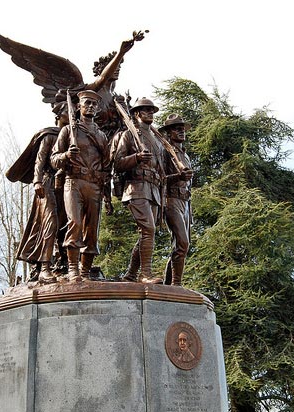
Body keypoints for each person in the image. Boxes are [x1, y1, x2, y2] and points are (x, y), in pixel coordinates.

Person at [51, 90, 112, 282]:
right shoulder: (68, 131)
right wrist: (67, 156)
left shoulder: (101, 136)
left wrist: (107, 195)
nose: (91, 107)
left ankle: (85, 271)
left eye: (94, 104)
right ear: (78, 106)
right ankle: (72, 269)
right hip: (74, 182)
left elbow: (107, 166)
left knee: (92, 229)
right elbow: (53, 159)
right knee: (75, 223)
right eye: (87, 103)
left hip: (94, 185)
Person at [12, 102, 69, 283]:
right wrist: (37, 181)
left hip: (65, 184)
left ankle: (64, 262)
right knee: (50, 222)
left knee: (66, 224)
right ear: (58, 116)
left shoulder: (72, 136)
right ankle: (44, 267)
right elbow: (40, 159)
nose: (72, 114)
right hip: (47, 182)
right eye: (68, 112)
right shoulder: (50, 135)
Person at [112, 97, 165, 284]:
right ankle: (145, 274)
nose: (151, 113)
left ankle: (131, 275)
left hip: (154, 190)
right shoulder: (129, 135)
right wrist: (136, 157)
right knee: (148, 229)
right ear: (137, 113)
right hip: (135, 187)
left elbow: (161, 170)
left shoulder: (158, 141)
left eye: (152, 110)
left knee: (147, 232)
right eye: (146, 110)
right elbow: (117, 164)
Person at [159, 114, 194, 286]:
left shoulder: (185, 155)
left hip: (185, 202)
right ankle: (176, 284)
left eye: (182, 129)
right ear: (168, 133)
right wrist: (178, 176)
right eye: (176, 129)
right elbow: (159, 178)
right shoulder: (164, 152)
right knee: (183, 242)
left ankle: (170, 283)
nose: (181, 131)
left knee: (181, 245)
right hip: (170, 199)